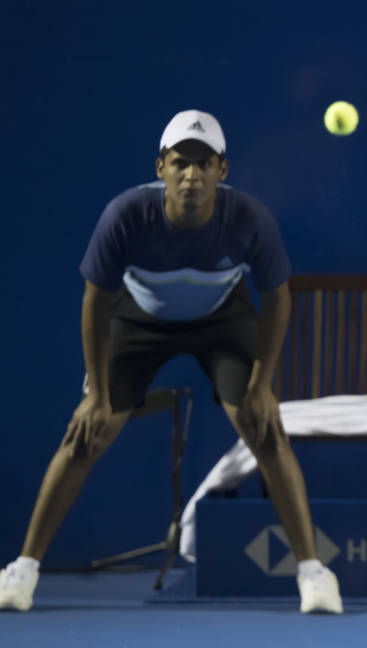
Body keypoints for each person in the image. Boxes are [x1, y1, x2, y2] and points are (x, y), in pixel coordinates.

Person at [0, 110, 343, 615]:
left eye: (205, 165)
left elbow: (278, 298)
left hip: (222, 321)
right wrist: (96, 394)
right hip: (138, 322)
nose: (192, 175)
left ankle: (315, 574)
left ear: (222, 171)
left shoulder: (249, 218)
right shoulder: (125, 215)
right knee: (86, 433)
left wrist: (262, 385)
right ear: (161, 166)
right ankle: (22, 569)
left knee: (263, 425)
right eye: (181, 162)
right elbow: (95, 303)